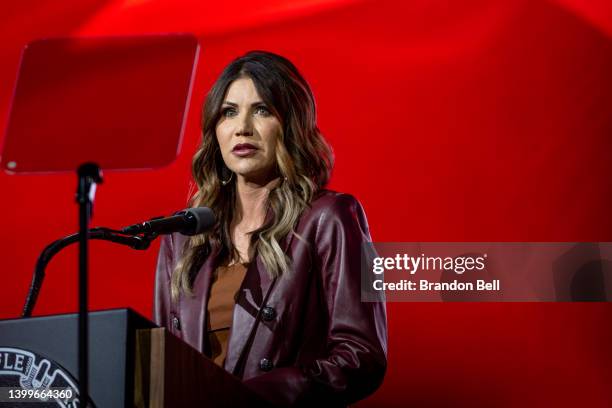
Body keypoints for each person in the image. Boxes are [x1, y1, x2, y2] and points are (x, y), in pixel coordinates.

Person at [154, 50, 387, 407]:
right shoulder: (182, 236)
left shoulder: (330, 217)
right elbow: (159, 365)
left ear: (290, 124)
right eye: (228, 112)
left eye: (261, 110)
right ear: (215, 129)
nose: (242, 127)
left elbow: (361, 355)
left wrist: (254, 396)